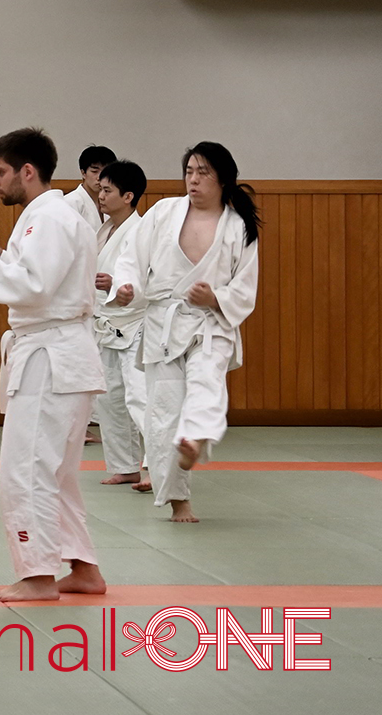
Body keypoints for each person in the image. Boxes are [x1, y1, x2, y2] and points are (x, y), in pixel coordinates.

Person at [0, 127, 106, 603]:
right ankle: (83, 568)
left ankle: (37, 575)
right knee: (57, 472)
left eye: (0, 172)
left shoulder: (50, 217)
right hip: (60, 353)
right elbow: (40, 279)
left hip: (50, 359)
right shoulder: (46, 216)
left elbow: (34, 288)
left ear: (27, 172)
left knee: (27, 468)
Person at [110, 142, 261, 523]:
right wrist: (126, 287)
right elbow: (131, 257)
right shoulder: (164, 212)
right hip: (165, 323)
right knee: (163, 414)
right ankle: (179, 499)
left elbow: (244, 289)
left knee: (207, 384)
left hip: (212, 323)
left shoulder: (238, 226)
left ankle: (194, 437)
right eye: (189, 171)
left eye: (203, 172)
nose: (193, 180)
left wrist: (215, 297)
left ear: (223, 179)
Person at [92, 159, 149, 489]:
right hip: (106, 325)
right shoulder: (105, 230)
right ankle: (125, 466)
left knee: (140, 399)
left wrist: (117, 284)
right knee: (110, 399)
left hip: (136, 325)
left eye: (107, 190)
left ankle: (158, 467)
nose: (101, 196)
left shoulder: (142, 232)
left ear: (128, 196)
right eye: (100, 189)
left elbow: (150, 282)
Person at [65, 145, 116, 227]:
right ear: (83, 173)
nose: (100, 177)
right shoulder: (71, 202)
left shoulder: (112, 202)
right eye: (94, 171)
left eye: (105, 172)